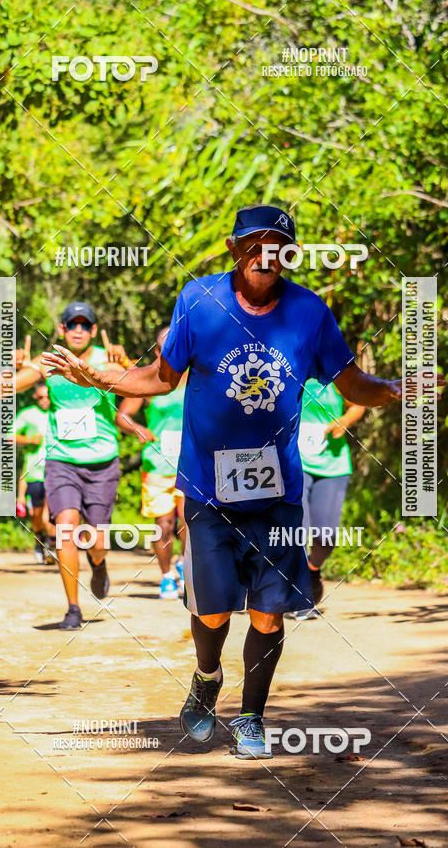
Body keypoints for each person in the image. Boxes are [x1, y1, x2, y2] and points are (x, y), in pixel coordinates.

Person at [42, 205, 409, 759]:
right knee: (212, 610)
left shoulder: (310, 312)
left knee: (268, 611)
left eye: (279, 246)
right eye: (255, 243)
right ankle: (206, 679)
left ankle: (253, 717)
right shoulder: (198, 300)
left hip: (279, 489)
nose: (267, 255)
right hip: (208, 487)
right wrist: (97, 375)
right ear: (234, 249)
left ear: (290, 254)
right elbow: (160, 379)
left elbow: (352, 382)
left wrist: (396, 390)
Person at [0, 303, 129, 629]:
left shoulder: (106, 358)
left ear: (94, 330)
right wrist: (9, 369)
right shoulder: (49, 360)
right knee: (66, 529)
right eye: (72, 324)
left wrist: (123, 362)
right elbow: (2, 389)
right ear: (62, 329)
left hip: (102, 460)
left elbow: (151, 378)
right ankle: (73, 607)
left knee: (97, 541)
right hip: (61, 460)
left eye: (85, 324)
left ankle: (98, 564)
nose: (78, 329)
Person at [286, 379, 365, 621]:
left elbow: (358, 404)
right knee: (299, 529)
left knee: (327, 536)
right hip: (296, 461)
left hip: (333, 462)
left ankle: (312, 570)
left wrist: (344, 421)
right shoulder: (291, 366)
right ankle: (299, 598)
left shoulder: (338, 372)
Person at [116, 326, 186, 599]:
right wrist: (137, 428)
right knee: (164, 524)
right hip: (158, 463)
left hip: (190, 463)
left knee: (187, 522)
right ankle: (167, 574)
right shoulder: (148, 380)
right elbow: (122, 416)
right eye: (165, 347)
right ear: (157, 352)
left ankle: (188, 567)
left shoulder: (196, 377)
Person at [10, 382, 52, 563]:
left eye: (47, 396)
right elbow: (9, 436)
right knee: (37, 515)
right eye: (41, 397)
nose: (45, 400)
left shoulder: (60, 412)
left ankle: (52, 546)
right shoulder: (27, 414)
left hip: (58, 470)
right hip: (34, 472)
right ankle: (39, 540)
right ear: (35, 397)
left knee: (50, 514)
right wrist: (29, 439)